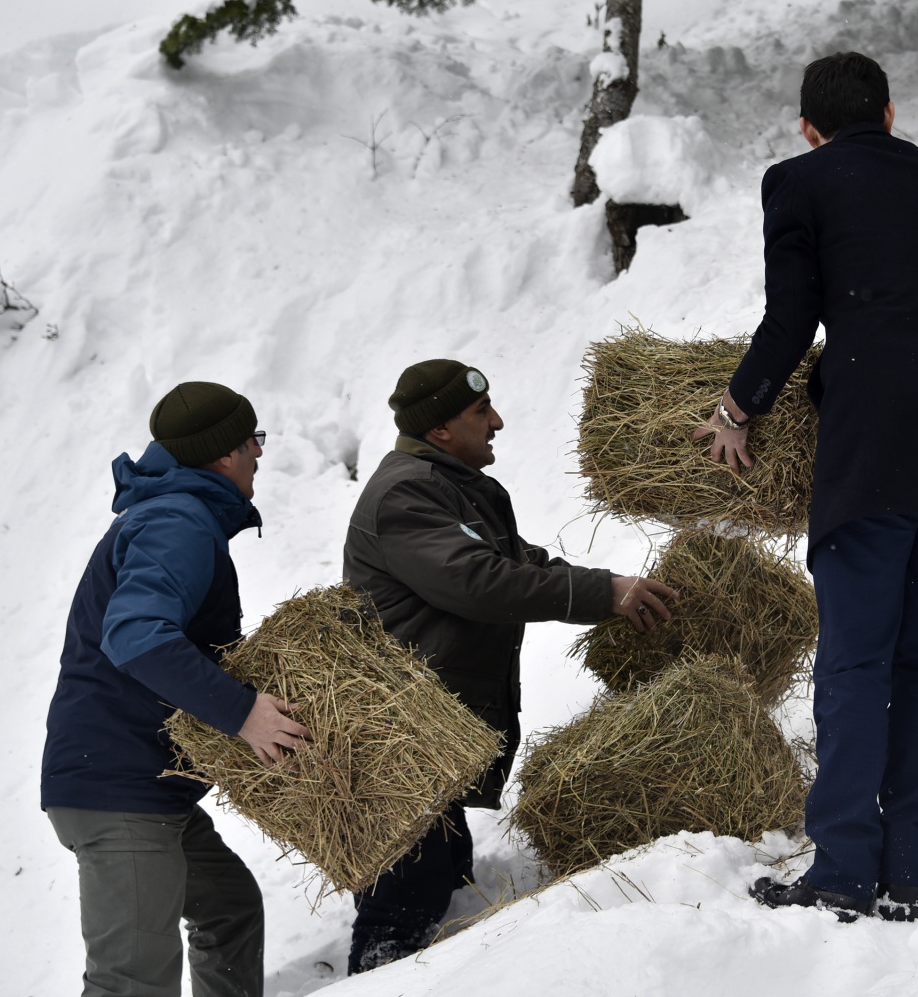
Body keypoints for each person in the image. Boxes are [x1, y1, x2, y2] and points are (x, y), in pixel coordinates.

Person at [693, 52, 918, 922]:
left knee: (853, 664)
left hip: (879, 447)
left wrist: (737, 408)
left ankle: (841, 870)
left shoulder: (799, 182)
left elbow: (792, 318)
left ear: (809, 127)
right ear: (888, 113)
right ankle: (906, 870)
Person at [343, 359, 677, 972]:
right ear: (441, 431)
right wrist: (602, 595)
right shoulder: (406, 494)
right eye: (480, 412)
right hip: (405, 740)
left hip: (435, 733)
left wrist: (610, 590)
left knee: (444, 878)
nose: (497, 422)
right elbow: (478, 581)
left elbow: (522, 563)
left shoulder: (457, 486)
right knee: (400, 914)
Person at [41, 381, 312, 997]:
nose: (259, 455)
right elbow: (136, 634)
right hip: (119, 790)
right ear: (222, 456)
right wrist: (244, 713)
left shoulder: (175, 513)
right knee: (131, 983)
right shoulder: (178, 521)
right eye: (252, 441)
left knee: (229, 910)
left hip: (143, 784)